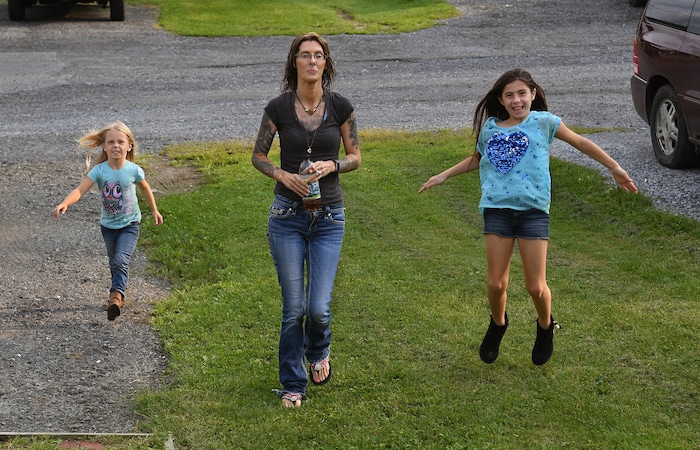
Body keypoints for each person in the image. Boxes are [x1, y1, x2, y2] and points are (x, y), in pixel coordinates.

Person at [419, 68, 637, 366]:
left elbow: (580, 142)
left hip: (533, 212)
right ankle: (498, 324)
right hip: (498, 209)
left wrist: (614, 167)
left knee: (535, 286)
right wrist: (443, 175)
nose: (516, 100)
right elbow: (478, 157)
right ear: (501, 99)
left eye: (522, 93)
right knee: (496, 284)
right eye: (509, 95)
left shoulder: (544, 122)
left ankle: (545, 326)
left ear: (533, 94)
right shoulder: (492, 128)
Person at [251, 32, 361, 407]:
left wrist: (335, 164)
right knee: (294, 308)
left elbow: (356, 157)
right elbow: (259, 156)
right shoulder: (278, 108)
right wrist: (284, 175)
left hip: (329, 216)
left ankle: (319, 349)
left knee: (318, 307)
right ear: (294, 62)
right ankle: (293, 383)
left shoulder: (341, 106)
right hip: (287, 216)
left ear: (326, 64)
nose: (312, 62)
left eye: (318, 56)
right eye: (305, 56)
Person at [52, 121, 163, 321]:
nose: (115, 145)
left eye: (121, 141)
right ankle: (117, 295)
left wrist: (154, 210)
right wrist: (65, 202)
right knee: (115, 262)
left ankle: (116, 297)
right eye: (111, 142)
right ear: (104, 146)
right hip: (108, 227)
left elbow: (145, 188)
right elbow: (80, 189)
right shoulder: (100, 171)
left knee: (121, 259)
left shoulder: (134, 170)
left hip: (130, 225)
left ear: (129, 146)